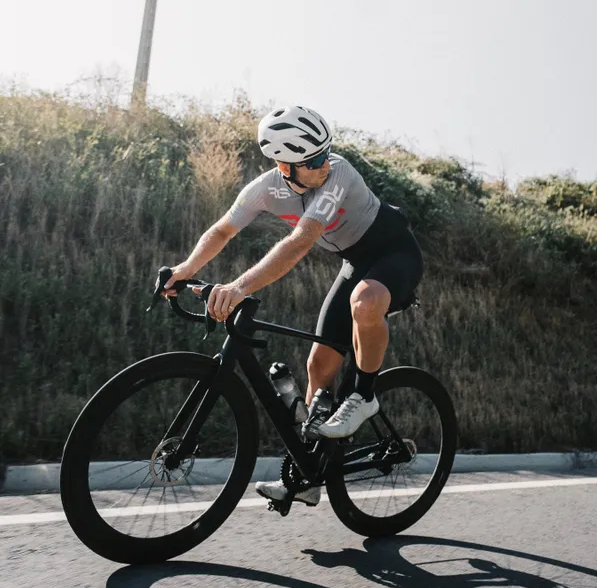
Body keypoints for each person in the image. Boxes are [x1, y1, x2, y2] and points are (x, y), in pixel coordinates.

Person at [162, 105, 424, 507]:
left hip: (395, 253)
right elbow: (222, 231)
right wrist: (184, 269)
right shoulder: (265, 189)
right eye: (314, 161)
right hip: (355, 262)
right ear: (285, 167)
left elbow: (300, 241)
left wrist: (238, 286)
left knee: (364, 301)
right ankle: (309, 473)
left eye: (325, 154)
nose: (325, 164)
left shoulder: (339, 172)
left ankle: (364, 396)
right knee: (319, 364)